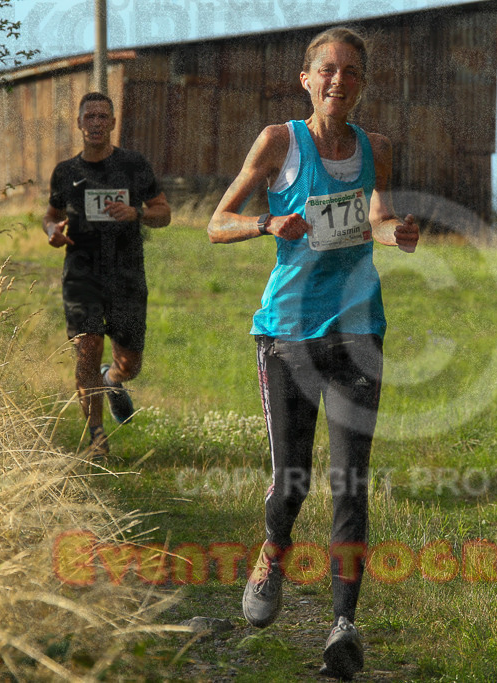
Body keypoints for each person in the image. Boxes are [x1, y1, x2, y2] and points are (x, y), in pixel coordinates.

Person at [206, 26, 418, 680]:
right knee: (292, 481)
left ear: (361, 84)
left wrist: (396, 230)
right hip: (288, 334)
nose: (338, 81)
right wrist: (267, 222)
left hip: (359, 331)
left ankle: (343, 626)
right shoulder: (278, 142)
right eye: (327, 70)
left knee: (351, 480)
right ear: (306, 79)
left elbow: (377, 217)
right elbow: (216, 223)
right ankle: (273, 547)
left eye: (351, 72)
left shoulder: (376, 149)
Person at [43, 92, 171, 459]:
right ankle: (96, 439)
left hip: (126, 272)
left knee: (130, 363)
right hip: (81, 272)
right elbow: (50, 214)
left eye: (103, 116)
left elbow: (163, 211)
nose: (96, 122)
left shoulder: (133, 165)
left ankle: (112, 380)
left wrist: (137, 214)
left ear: (113, 123)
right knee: (87, 347)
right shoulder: (66, 172)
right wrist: (51, 231)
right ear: (80, 124)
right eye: (90, 116)